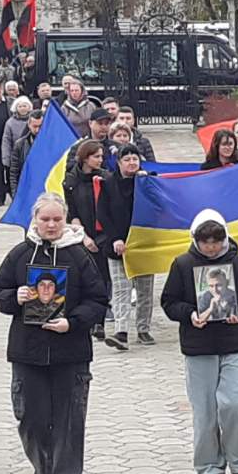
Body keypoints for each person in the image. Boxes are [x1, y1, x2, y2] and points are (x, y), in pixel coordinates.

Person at [0, 193, 110, 474]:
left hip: (70, 353)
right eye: (46, 219)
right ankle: (44, 469)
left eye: (57, 219)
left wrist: (72, 322)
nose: (52, 225)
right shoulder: (20, 254)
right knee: (31, 420)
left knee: (69, 424)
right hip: (27, 352)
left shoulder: (79, 256)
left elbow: (99, 299)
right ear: (36, 221)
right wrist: (13, 297)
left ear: (65, 220)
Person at [161, 210, 238, 474]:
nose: (212, 247)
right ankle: (209, 471)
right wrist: (190, 314)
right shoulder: (182, 264)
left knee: (234, 403)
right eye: (206, 242)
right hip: (198, 346)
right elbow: (169, 301)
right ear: (196, 241)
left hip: (232, 343)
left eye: (217, 241)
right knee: (204, 413)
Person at [96, 145, 155, 351]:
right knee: (121, 289)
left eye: (135, 159)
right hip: (118, 247)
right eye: (127, 159)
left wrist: (147, 181)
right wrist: (114, 239)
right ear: (119, 163)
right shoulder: (109, 184)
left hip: (144, 245)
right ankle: (121, 331)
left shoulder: (146, 181)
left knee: (145, 290)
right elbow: (103, 214)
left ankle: (143, 329)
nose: (132, 163)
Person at [63, 140, 108, 341]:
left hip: (105, 234)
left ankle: (100, 322)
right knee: (87, 278)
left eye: (101, 156)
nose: (100, 160)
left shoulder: (106, 177)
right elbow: (72, 213)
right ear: (85, 157)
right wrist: (84, 237)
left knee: (104, 279)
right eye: (96, 156)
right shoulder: (71, 182)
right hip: (83, 234)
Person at [0, 96, 35, 188]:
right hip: (16, 154)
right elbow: (6, 140)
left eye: (25, 106)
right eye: (20, 106)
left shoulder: (35, 121)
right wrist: (6, 158)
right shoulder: (10, 123)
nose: (23, 108)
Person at [9, 110, 44, 195]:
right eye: (35, 126)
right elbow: (14, 172)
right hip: (27, 188)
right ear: (29, 125)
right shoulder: (20, 145)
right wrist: (15, 193)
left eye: (40, 126)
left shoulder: (52, 144)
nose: (37, 130)